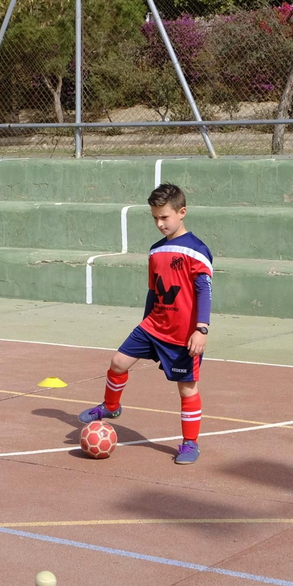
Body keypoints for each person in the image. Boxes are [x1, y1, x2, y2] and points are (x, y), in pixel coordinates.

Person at [78, 182, 213, 465]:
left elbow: (204, 291)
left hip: (182, 335)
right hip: (152, 327)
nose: (159, 223)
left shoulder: (197, 250)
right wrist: (144, 326)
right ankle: (111, 408)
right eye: (155, 218)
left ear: (182, 212)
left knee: (186, 389)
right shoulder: (155, 251)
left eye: (164, 217)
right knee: (118, 362)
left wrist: (201, 329)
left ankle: (190, 444)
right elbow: (153, 291)